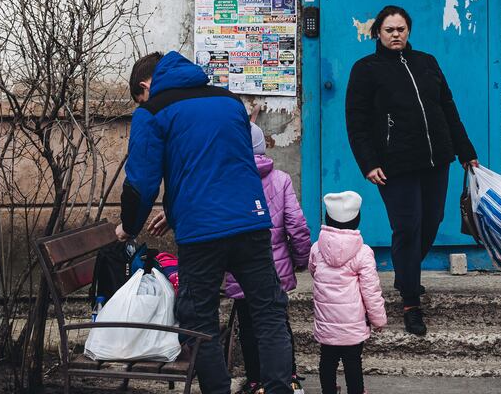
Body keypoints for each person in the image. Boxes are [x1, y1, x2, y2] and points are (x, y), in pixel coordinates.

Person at [118, 51, 294, 394]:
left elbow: (142, 183)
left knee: (199, 320)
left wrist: (129, 226)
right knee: (269, 313)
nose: (142, 103)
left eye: (140, 97)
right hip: (251, 221)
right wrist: (174, 210)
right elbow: (220, 163)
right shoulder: (228, 101)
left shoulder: (151, 112)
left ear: (145, 86)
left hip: (201, 232)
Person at [345, 4, 478, 336]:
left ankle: (405, 276)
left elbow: (448, 108)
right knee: (407, 227)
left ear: (408, 31)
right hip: (395, 164)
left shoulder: (427, 62)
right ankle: (410, 302)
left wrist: (465, 150)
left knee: (431, 221)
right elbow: (357, 121)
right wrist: (368, 163)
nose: (396, 35)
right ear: (377, 33)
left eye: (401, 29)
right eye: (389, 30)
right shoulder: (366, 69)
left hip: (436, 160)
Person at [223, 123, 312, 394]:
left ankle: (256, 381)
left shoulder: (227, 181)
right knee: (277, 323)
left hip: (239, 269)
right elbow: (297, 225)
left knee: (248, 327)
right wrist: (301, 259)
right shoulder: (281, 179)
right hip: (274, 269)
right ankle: (289, 377)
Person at [309, 191, 387, 394]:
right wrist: (378, 320)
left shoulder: (317, 248)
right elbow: (370, 291)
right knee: (353, 361)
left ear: (327, 218)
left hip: (326, 321)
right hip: (353, 324)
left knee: (327, 360)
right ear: (357, 220)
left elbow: (313, 271)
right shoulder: (363, 252)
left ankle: (328, 391)